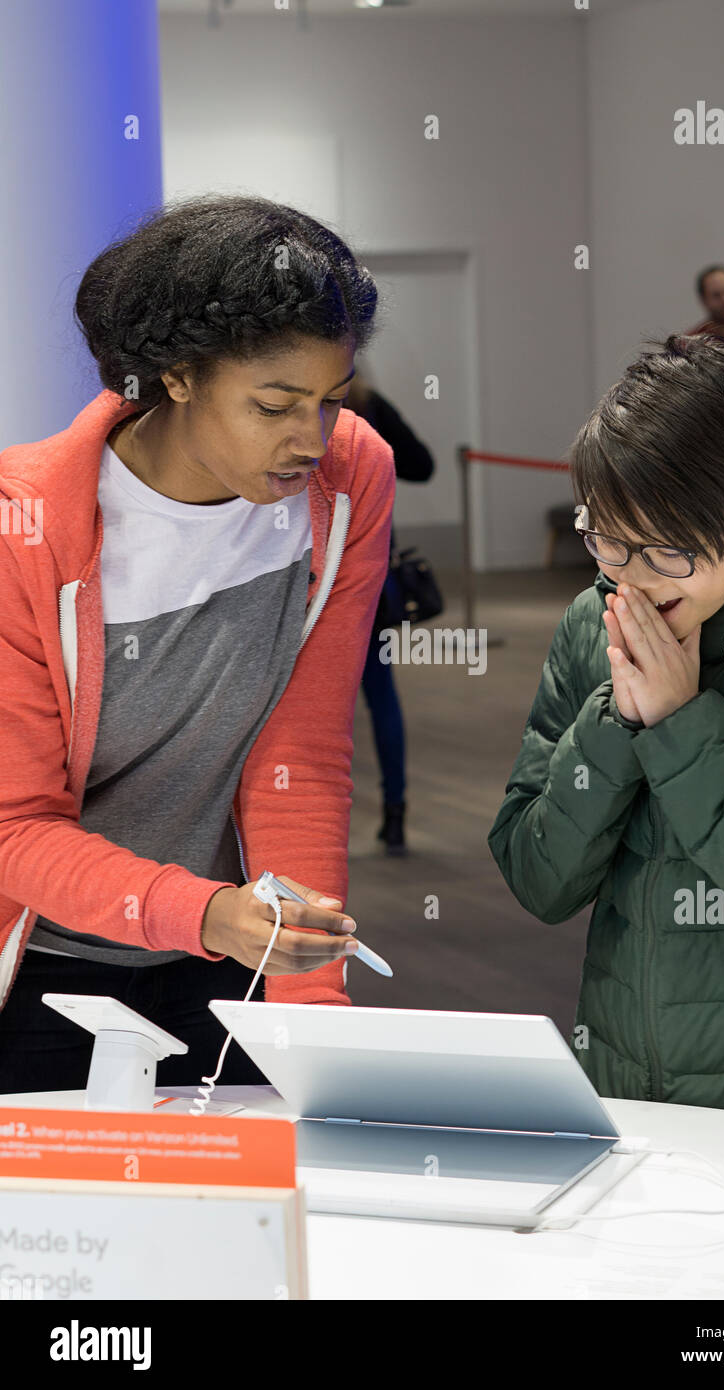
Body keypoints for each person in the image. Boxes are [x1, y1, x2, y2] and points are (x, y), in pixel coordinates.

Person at [0, 194, 395, 1092]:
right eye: (274, 405)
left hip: (226, 963)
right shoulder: (22, 525)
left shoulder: (349, 478)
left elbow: (302, 756)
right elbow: (13, 827)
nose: (310, 438)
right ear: (176, 376)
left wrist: (311, 1007)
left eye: (331, 401)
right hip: (41, 974)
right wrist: (206, 911)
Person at [488, 333, 724, 1128]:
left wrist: (683, 723)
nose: (632, 576)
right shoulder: (596, 619)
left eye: (668, 548)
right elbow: (537, 877)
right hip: (625, 1100)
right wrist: (617, 719)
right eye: (609, 539)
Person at [346, 370, 435, 854]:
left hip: (309, 580)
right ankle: (395, 810)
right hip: (372, 576)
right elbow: (422, 464)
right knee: (382, 698)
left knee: (308, 711)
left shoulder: (301, 410)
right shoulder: (369, 406)